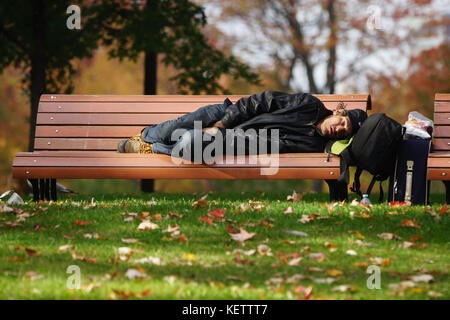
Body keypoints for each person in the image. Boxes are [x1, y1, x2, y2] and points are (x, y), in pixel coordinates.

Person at [117, 91, 367, 160]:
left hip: (227, 141)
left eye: (343, 132)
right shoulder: (307, 104)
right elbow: (258, 102)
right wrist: (222, 124)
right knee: (172, 129)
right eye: (342, 122)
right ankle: (146, 137)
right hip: (229, 114)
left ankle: (153, 148)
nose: (339, 128)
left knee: (189, 143)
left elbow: (346, 155)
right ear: (338, 111)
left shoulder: (316, 145)